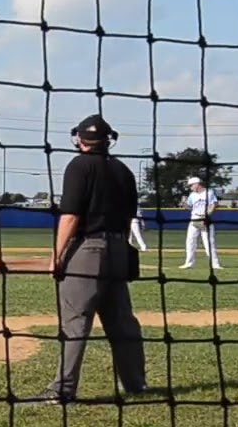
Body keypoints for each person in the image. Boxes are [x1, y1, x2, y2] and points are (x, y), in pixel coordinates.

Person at [19, 114, 147, 406]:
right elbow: (129, 218)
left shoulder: (79, 165)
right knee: (122, 322)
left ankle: (62, 390)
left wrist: (57, 256)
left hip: (88, 250)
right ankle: (136, 384)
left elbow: (71, 216)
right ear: (108, 139)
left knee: (76, 322)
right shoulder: (123, 170)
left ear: (79, 139)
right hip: (118, 249)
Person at [180, 176, 223, 270]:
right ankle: (189, 263)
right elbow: (190, 207)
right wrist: (184, 204)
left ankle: (215, 264)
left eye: (191, 185)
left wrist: (207, 216)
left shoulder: (209, 192)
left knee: (209, 242)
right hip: (194, 219)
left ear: (197, 184)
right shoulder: (192, 195)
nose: (190, 187)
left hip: (205, 219)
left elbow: (213, 205)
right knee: (190, 242)